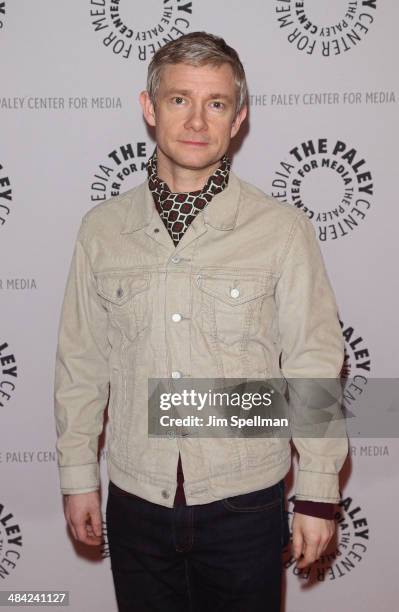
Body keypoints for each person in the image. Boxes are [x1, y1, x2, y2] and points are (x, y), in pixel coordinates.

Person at [54, 31, 348, 612]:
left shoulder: (281, 230)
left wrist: (316, 494)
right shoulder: (102, 231)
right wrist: (77, 473)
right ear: (149, 107)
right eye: (178, 99)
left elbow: (313, 364)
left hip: (245, 503)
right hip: (136, 497)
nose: (196, 120)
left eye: (215, 103)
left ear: (238, 118)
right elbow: (82, 363)